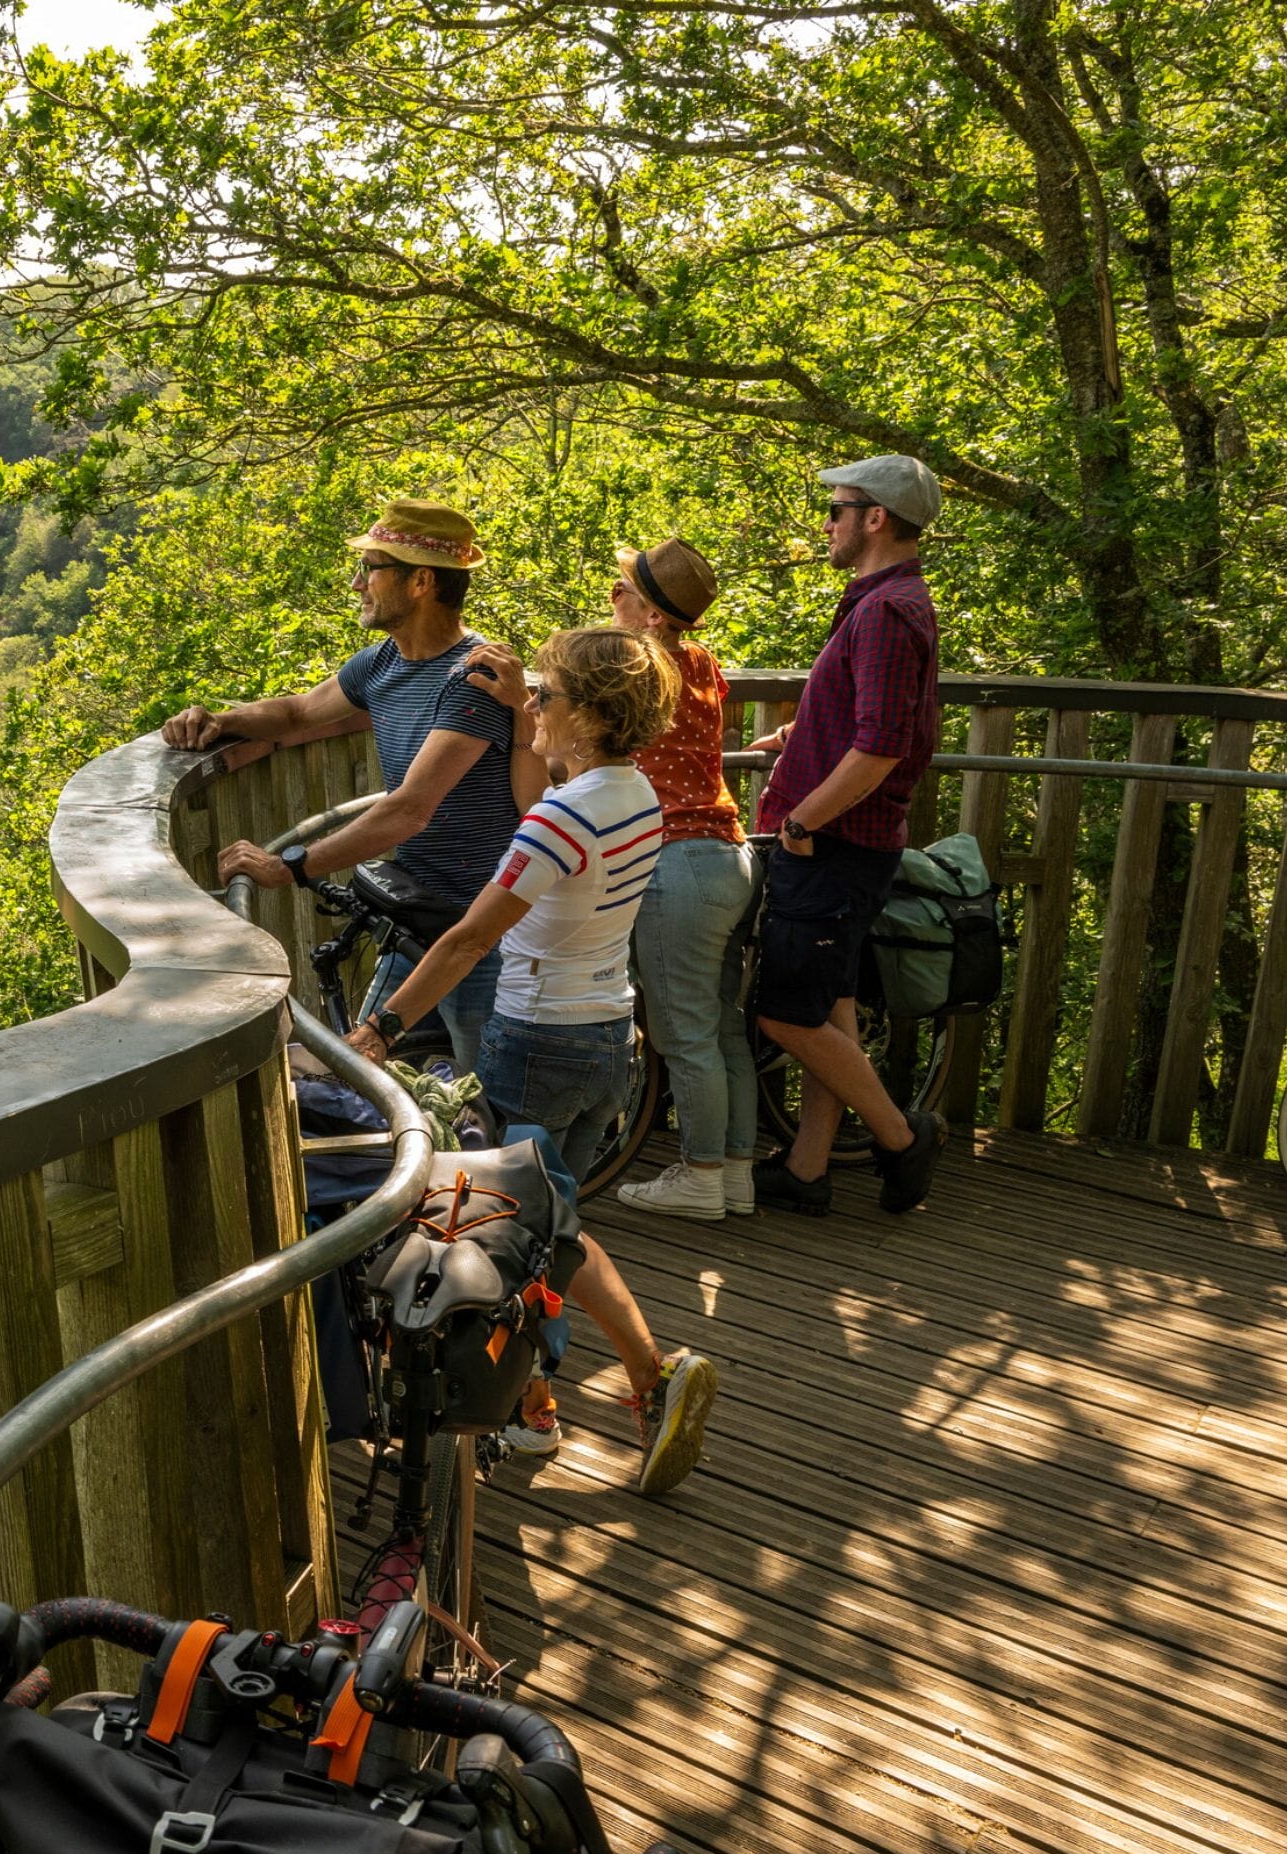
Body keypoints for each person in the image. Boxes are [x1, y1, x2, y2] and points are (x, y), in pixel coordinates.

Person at [344, 625, 716, 1484]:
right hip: (606, 1042)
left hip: (534, 1043)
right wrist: (518, 717)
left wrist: (383, 1029)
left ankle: (558, 1403)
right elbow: (538, 808)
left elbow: (473, 937)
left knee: (499, 1229)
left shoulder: (562, 816)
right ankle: (627, 1383)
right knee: (553, 1227)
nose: (535, 702)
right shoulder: (636, 793)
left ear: (585, 714)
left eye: (546, 694)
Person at [162, 499, 545, 1071]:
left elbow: (410, 810)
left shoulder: (473, 678)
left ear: (420, 581)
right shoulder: (383, 662)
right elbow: (297, 714)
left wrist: (290, 865)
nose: (357, 583)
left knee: (486, 1099)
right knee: (375, 1068)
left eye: (371, 568)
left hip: (478, 926)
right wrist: (221, 720)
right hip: (417, 911)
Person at [749, 455, 948, 1215]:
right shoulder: (879, 601)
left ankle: (902, 1138)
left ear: (875, 518)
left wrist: (802, 820)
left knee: (785, 1012)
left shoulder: (888, 611)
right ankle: (807, 1171)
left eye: (835, 509)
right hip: (842, 840)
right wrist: (803, 737)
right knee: (829, 1005)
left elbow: (884, 746)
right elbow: (870, 719)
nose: (825, 522)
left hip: (834, 845)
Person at [604, 538, 763, 1222]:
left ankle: (698, 1176)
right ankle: (734, 1175)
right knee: (722, 1027)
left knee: (685, 1034)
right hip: (727, 855)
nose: (612, 598)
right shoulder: (697, 660)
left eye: (624, 592)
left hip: (676, 864)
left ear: (652, 616)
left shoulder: (636, 668)